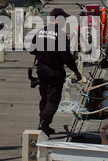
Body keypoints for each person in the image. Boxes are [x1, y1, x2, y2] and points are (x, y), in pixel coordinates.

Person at [30, 8, 82, 137]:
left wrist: (43, 53)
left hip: (41, 70)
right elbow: (66, 56)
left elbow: (31, 50)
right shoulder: (61, 35)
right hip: (55, 72)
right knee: (53, 100)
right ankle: (44, 122)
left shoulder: (41, 31)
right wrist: (76, 71)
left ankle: (44, 125)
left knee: (44, 97)